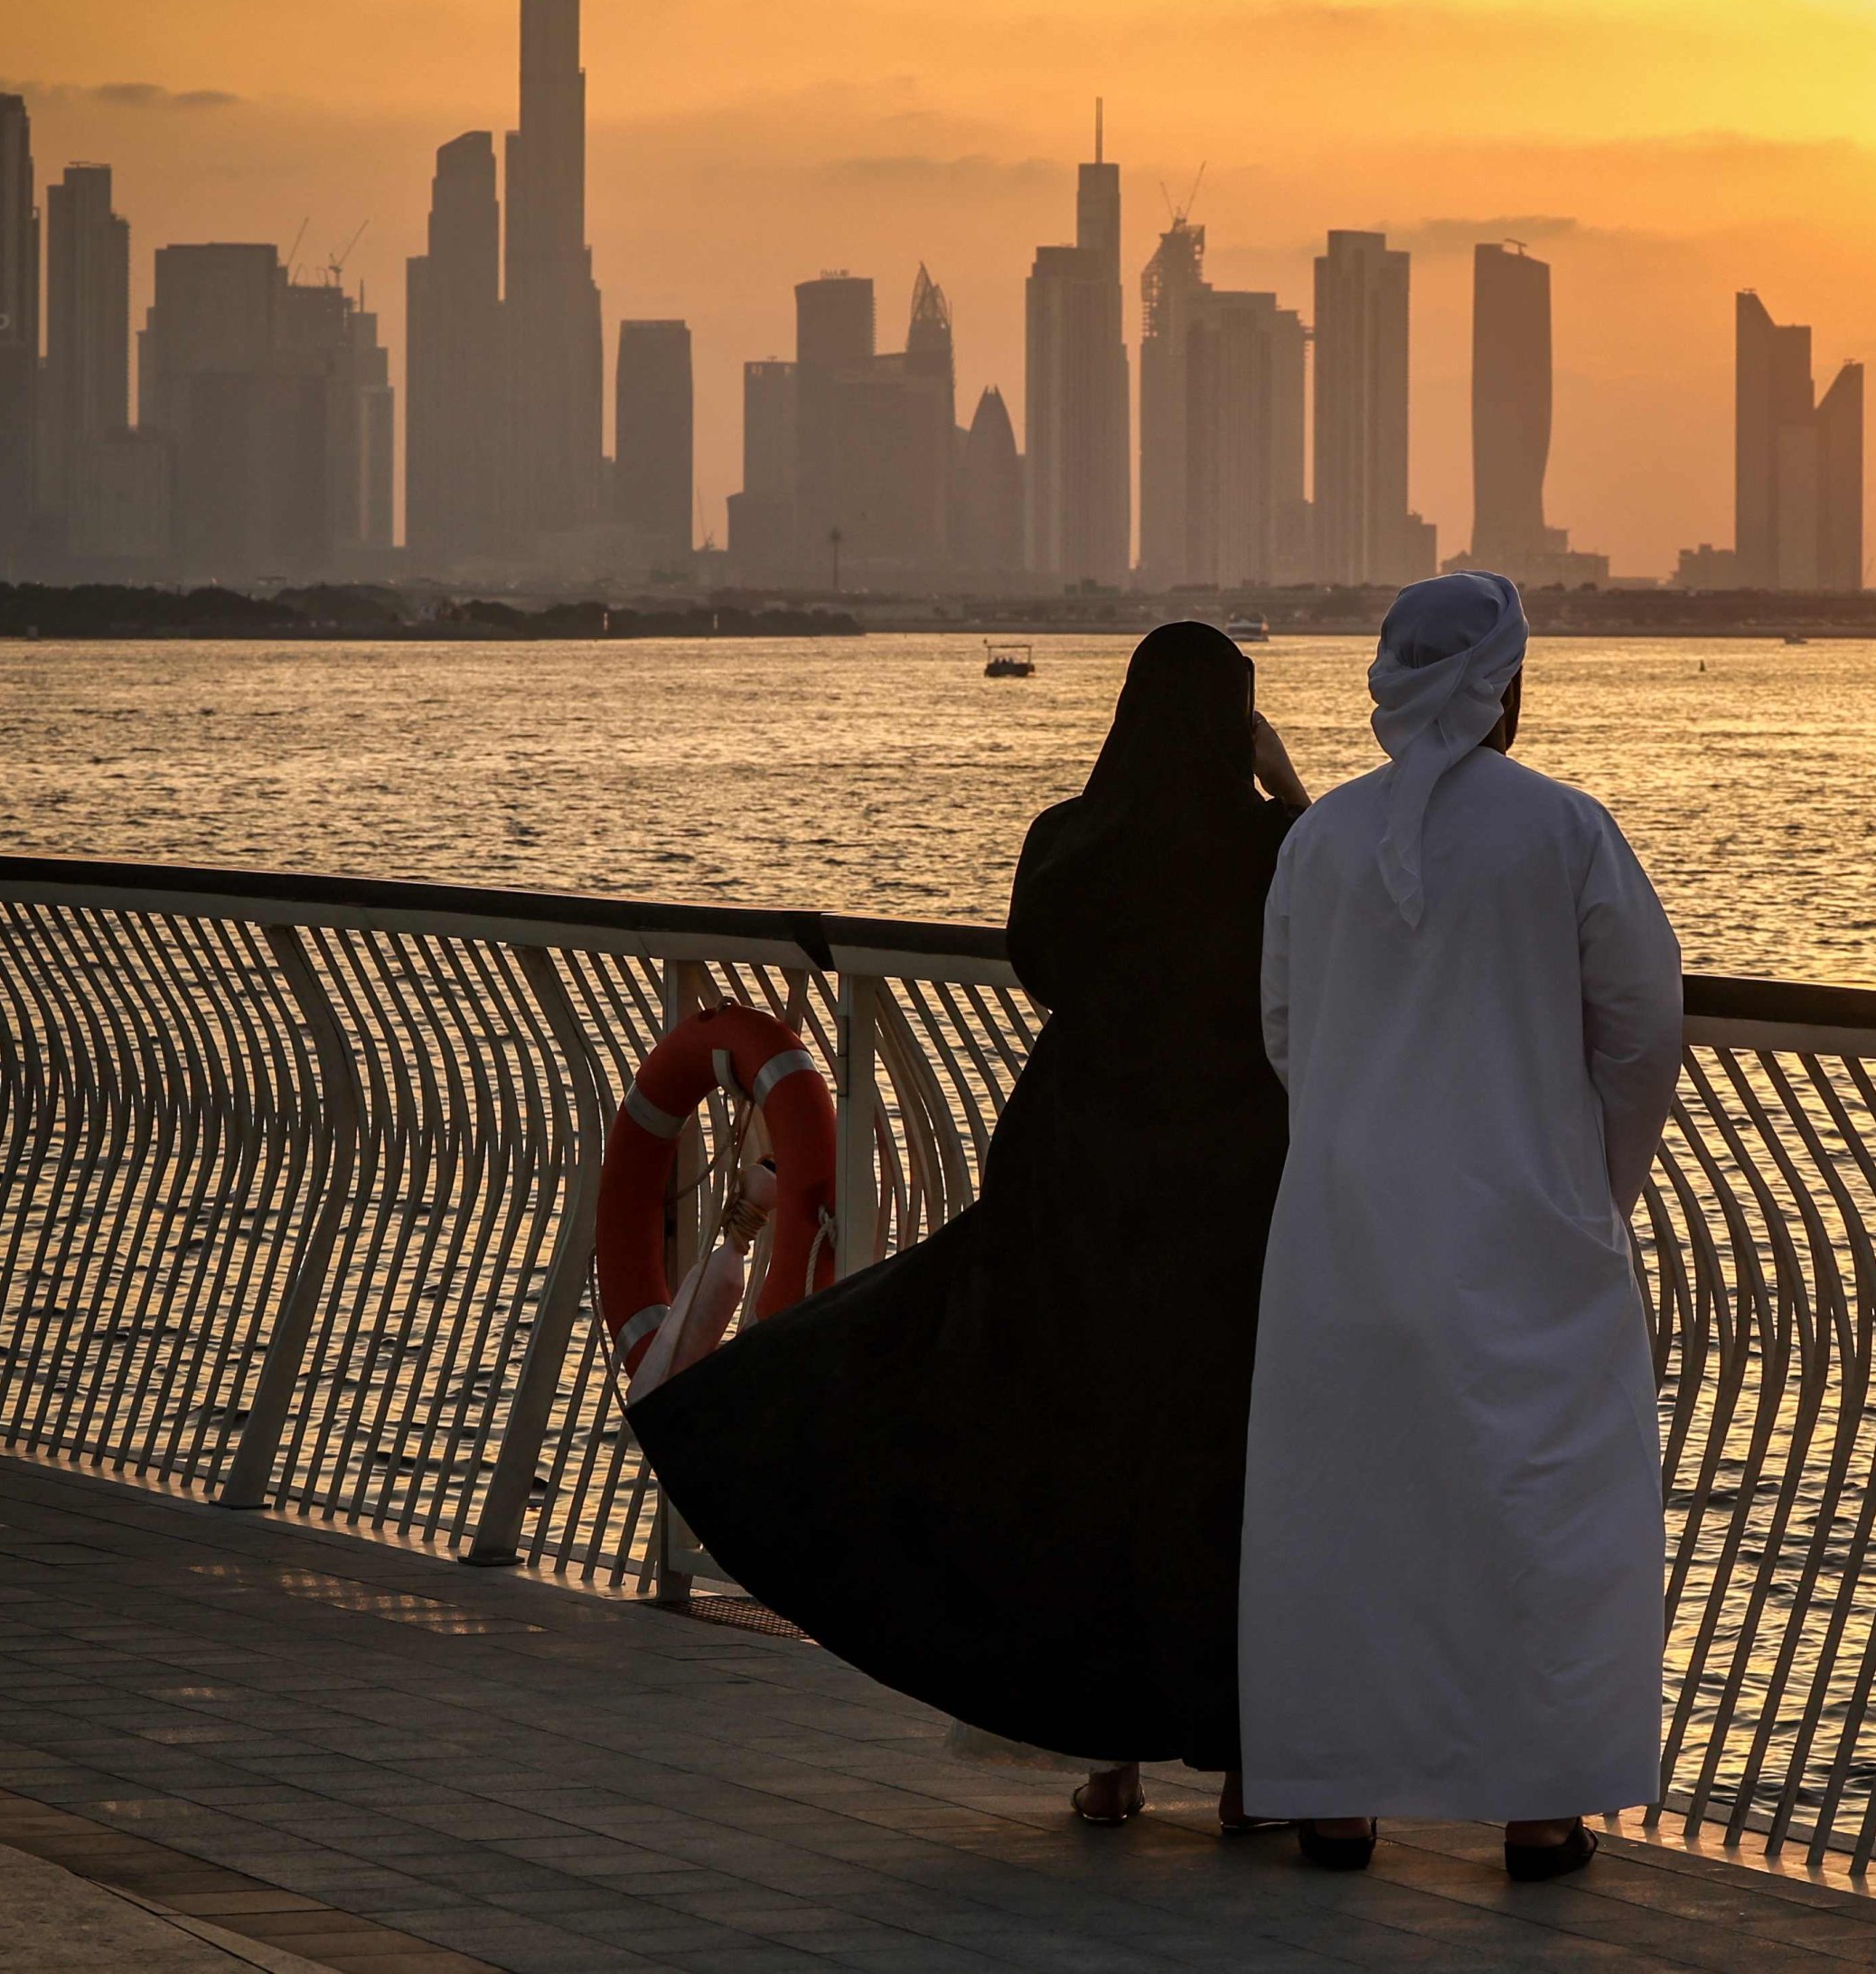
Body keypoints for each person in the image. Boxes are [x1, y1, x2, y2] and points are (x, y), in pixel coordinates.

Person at [628, 622, 1311, 1826]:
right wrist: (1283, 780)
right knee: (1226, 1471)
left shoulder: (1071, 842)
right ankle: (1254, 1763)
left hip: (1074, 1183)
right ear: (1233, 723)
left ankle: (1108, 1757)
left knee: (1071, 1455)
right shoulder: (1278, 850)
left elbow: (1039, 964)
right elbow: (1332, 924)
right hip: (1233, 1198)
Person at [1236, 572, 1686, 1881]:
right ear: (1507, 686)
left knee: (1348, 1520)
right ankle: (1541, 1811)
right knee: (1540, 1516)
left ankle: (1336, 1799)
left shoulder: (1318, 844)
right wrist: (1595, 1180)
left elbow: (1282, 1029)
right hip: (1528, 1236)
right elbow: (1644, 1024)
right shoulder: (1565, 831)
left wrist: (1351, 1143)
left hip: (1340, 1238)